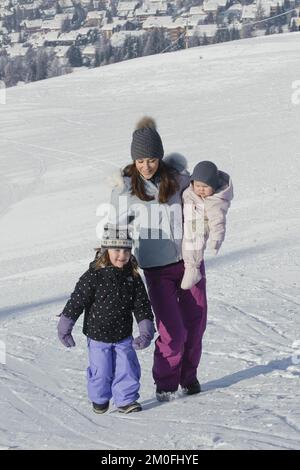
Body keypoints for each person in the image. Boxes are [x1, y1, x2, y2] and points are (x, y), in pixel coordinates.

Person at [109, 116, 207, 401]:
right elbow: (117, 233)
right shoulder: (125, 189)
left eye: (151, 159)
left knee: (195, 325)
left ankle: (189, 378)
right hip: (156, 269)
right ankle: (165, 383)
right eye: (140, 160)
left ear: (160, 157)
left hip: (190, 262)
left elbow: (208, 195)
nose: (146, 166)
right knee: (173, 332)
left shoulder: (178, 179)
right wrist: (113, 268)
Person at [57, 224, 155, 414]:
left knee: (127, 368)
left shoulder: (133, 277)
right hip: (97, 336)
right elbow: (77, 301)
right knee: (101, 371)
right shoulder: (93, 276)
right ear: (105, 250)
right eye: (116, 249)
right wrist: (65, 326)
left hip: (123, 335)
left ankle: (126, 400)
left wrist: (146, 330)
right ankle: (100, 399)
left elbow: (142, 305)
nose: (122, 255)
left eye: (126, 249)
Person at [181, 161, 234, 290]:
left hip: (200, 224)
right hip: (187, 220)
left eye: (205, 186)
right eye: (198, 185)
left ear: (214, 187)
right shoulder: (190, 191)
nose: (201, 189)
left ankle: (193, 270)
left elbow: (218, 221)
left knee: (193, 243)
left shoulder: (215, 201)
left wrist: (216, 241)